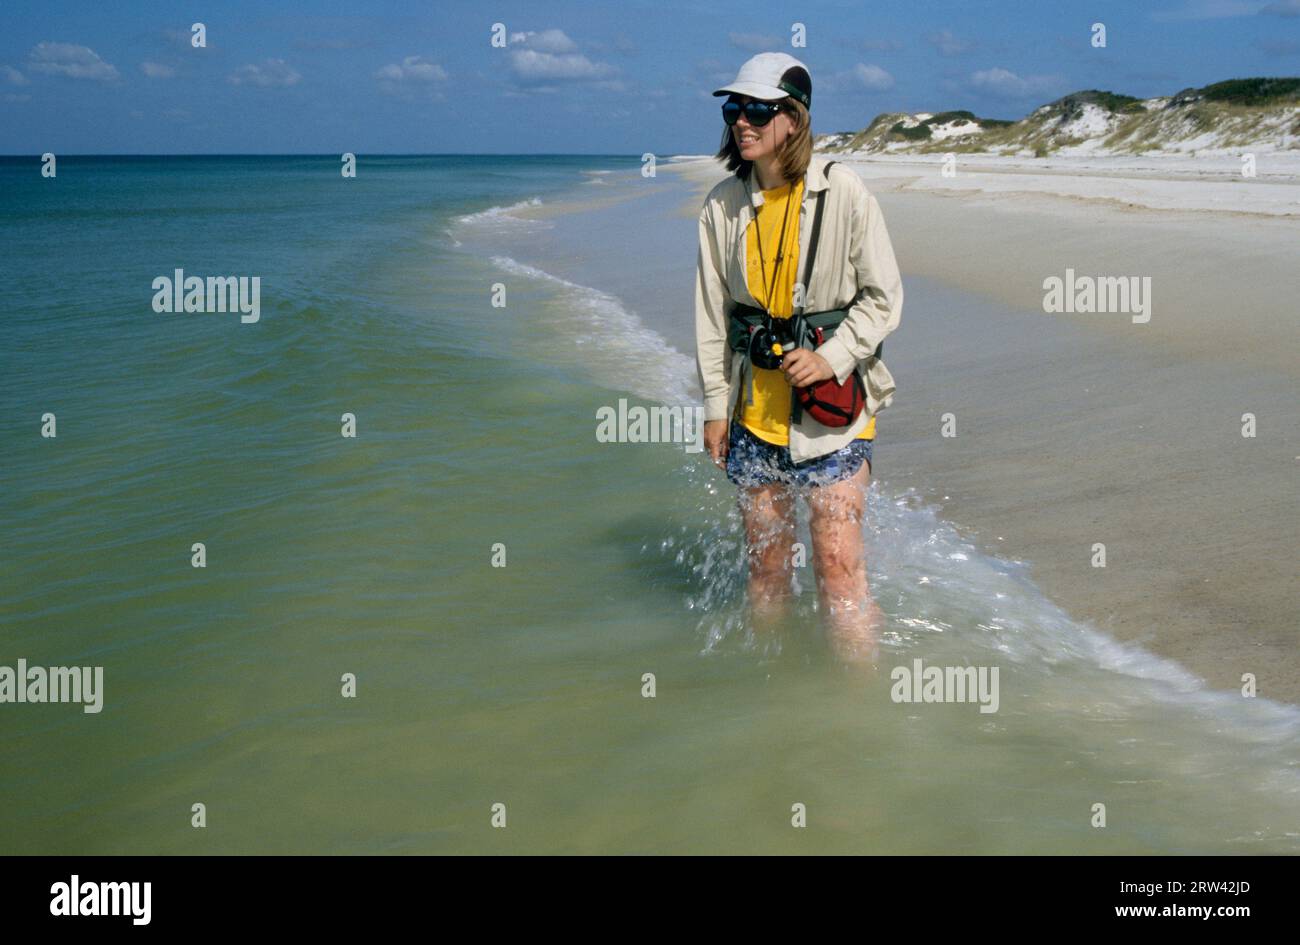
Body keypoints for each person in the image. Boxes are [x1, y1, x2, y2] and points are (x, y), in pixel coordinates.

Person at [694, 52, 904, 662]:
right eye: (735, 109)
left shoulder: (844, 190)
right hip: (753, 419)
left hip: (834, 417)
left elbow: (884, 298)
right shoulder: (721, 205)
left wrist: (833, 354)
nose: (742, 121)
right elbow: (712, 315)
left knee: (838, 569)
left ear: (795, 117)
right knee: (766, 572)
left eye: (758, 109)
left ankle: (856, 720)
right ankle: (775, 711)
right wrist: (714, 407)